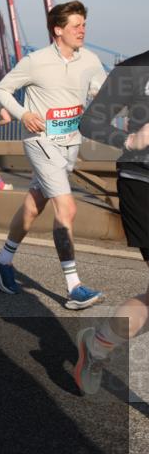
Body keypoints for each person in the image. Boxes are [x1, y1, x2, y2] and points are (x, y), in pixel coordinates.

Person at [0, 0, 107, 309]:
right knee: (66, 208)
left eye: (84, 25)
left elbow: (106, 92)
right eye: (76, 26)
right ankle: (74, 286)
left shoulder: (91, 60)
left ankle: (3, 260)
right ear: (58, 30)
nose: (82, 30)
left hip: (70, 143)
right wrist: (23, 114)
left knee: (33, 206)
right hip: (41, 142)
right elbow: (2, 89)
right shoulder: (36, 61)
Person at [73, 49, 149, 394]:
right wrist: (129, 140)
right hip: (143, 183)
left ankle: (98, 344)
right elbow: (91, 122)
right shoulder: (136, 69)